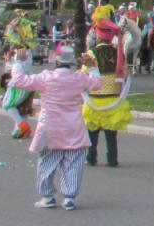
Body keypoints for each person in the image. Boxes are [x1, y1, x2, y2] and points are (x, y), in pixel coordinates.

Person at [8, 44, 103, 211]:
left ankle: (47, 197)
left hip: (50, 129)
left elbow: (18, 80)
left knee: (47, 163)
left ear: (56, 62)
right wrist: (92, 66)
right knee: (74, 163)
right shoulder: (79, 78)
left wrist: (18, 62)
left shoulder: (46, 78)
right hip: (74, 128)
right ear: (72, 63)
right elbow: (97, 83)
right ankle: (69, 199)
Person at [84, 19, 131, 167]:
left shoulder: (91, 53)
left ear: (97, 36)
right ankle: (112, 159)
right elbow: (125, 74)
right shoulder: (118, 53)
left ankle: (91, 158)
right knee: (111, 135)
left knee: (92, 133)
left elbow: (85, 73)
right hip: (113, 100)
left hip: (95, 99)